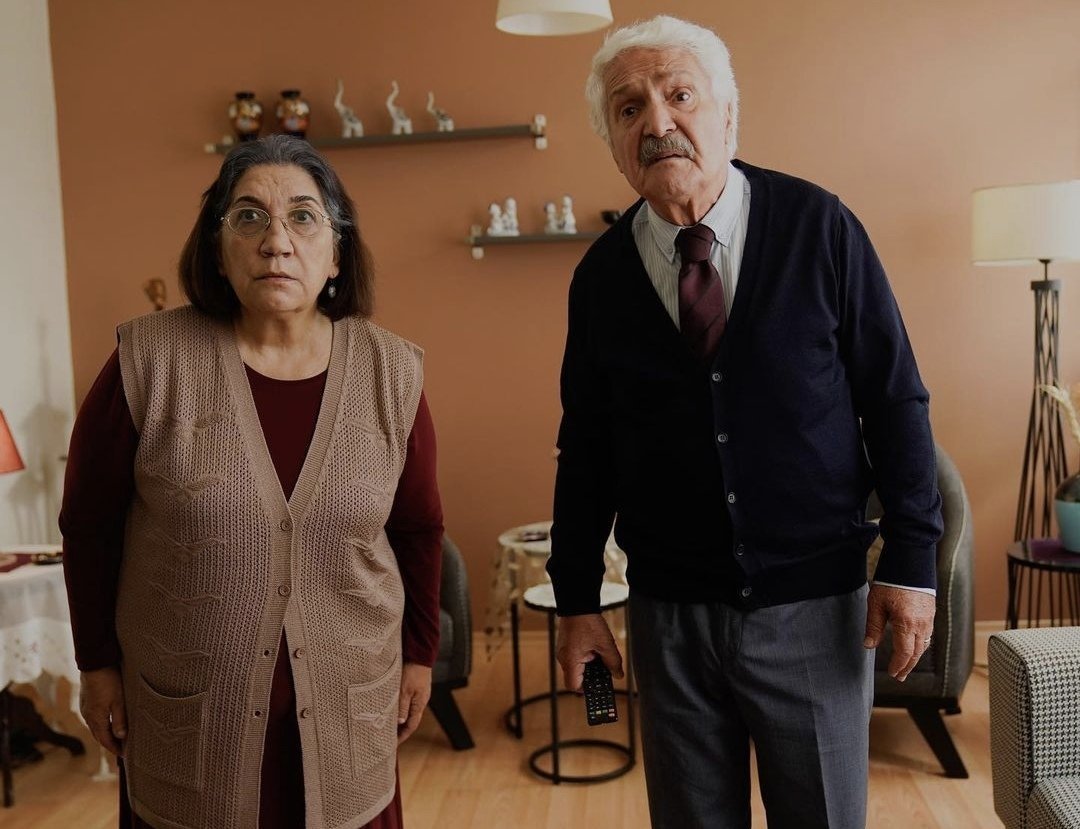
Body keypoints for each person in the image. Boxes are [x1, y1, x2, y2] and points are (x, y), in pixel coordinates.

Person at [548, 15, 943, 829]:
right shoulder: (600, 277)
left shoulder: (820, 226)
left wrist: (911, 561)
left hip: (817, 609)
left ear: (728, 113)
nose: (657, 122)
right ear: (612, 142)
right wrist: (577, 598)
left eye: (679, 95)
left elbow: (895, 397)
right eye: (629, 109)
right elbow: (585, 446)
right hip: (668, 619)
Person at [60, 134, 443, 829]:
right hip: (192, 727)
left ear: (336, 253)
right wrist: (96, 664)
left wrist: (419, 655)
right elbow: (89, 526)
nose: (276, 242)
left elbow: (418, 528)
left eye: (303, 217)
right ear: (217, 249)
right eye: (248, 217)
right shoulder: (147, 363)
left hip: (347, 716)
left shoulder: (391, 373)